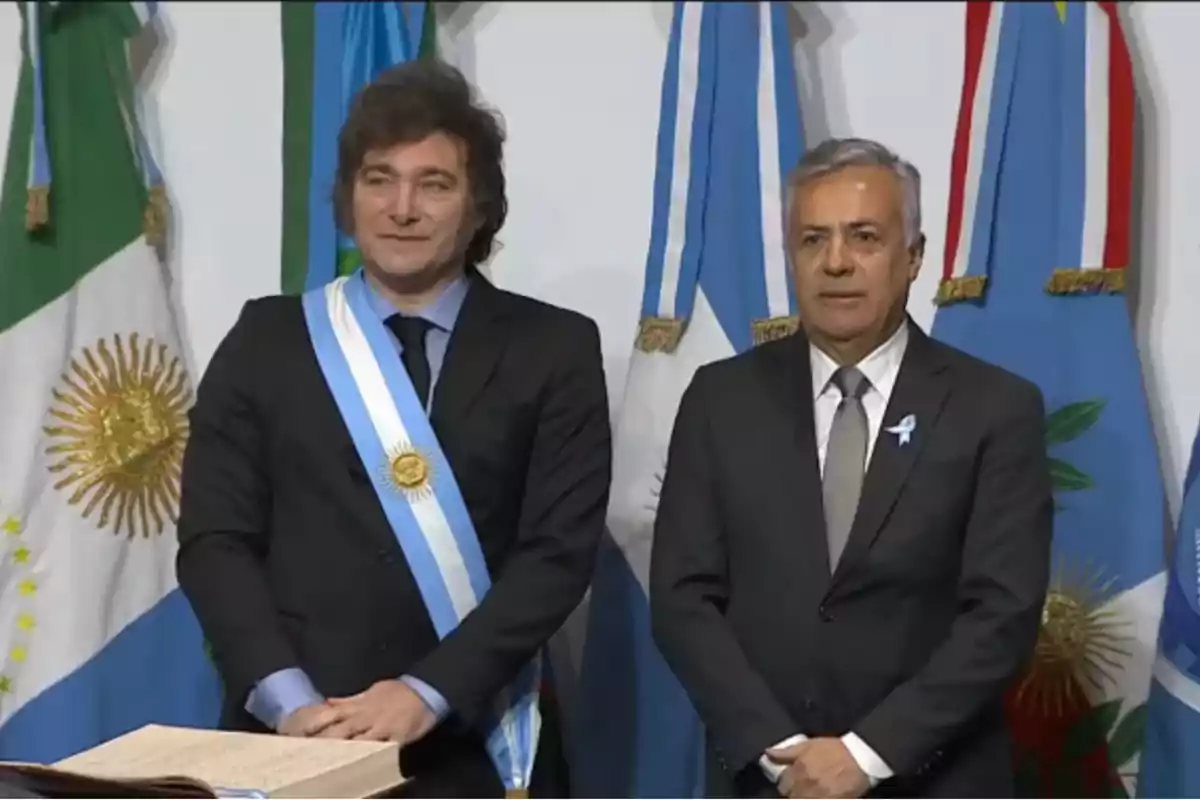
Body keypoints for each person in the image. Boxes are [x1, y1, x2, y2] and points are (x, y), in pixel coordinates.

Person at [175, 59, 612, 798]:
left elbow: (556, 556)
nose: (401, 208)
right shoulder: (267, 337)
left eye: (433, 184)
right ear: (348, 198)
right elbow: (215, 540)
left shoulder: (554, 348)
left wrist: (426, 693)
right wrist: (290, 704)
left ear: (479, 209)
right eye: (379, 179)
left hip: (470, 744)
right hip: (287, 743)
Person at [648, 138, 1053, 798]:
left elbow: (1001, 615)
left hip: (935, 779)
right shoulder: (720, 399)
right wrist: (778, 752)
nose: (836, 263)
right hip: (768, 779)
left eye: (864, 237)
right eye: (813, 240)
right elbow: (681, 596)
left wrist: (866, 756)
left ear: (913, 256)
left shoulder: (995, 408)